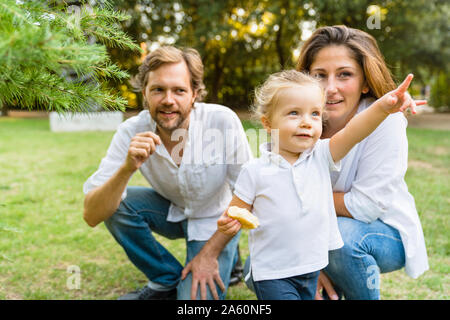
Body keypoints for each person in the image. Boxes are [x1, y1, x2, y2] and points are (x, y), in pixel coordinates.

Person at [217, 68, 424, 300]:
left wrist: (383, 107)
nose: (307, 122)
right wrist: (229, 222)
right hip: (272, 272)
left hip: (311, 267)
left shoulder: (321, 156)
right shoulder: (255, 171)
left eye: (315, 114)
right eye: (294, 113)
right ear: (268, 123)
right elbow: (236, 210)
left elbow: (355, 131)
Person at [82, 46, 252, 300]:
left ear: (194, 94)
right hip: (174, 211)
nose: (168, 100)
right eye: (158, 89)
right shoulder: (131, 130)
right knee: (116, 202)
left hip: (217, 222)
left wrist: (209, 255)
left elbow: (249, 194)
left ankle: (228, 257)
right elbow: (92, 214)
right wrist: (126, 169)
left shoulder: (222, 121)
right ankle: (165, 280)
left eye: (179, 90)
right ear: (145, 94)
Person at [295, 25, 429, 300]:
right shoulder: (293, 120)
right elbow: (275, 198)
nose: (330, 88)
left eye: (344, 74)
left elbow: (365, 206)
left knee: (341, 241)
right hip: (316, 232)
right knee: (262, 268)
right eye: (319, 75)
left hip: (383, 230)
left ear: (365, 82)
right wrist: (310, 263)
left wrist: (302, 196)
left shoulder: (386, 120)